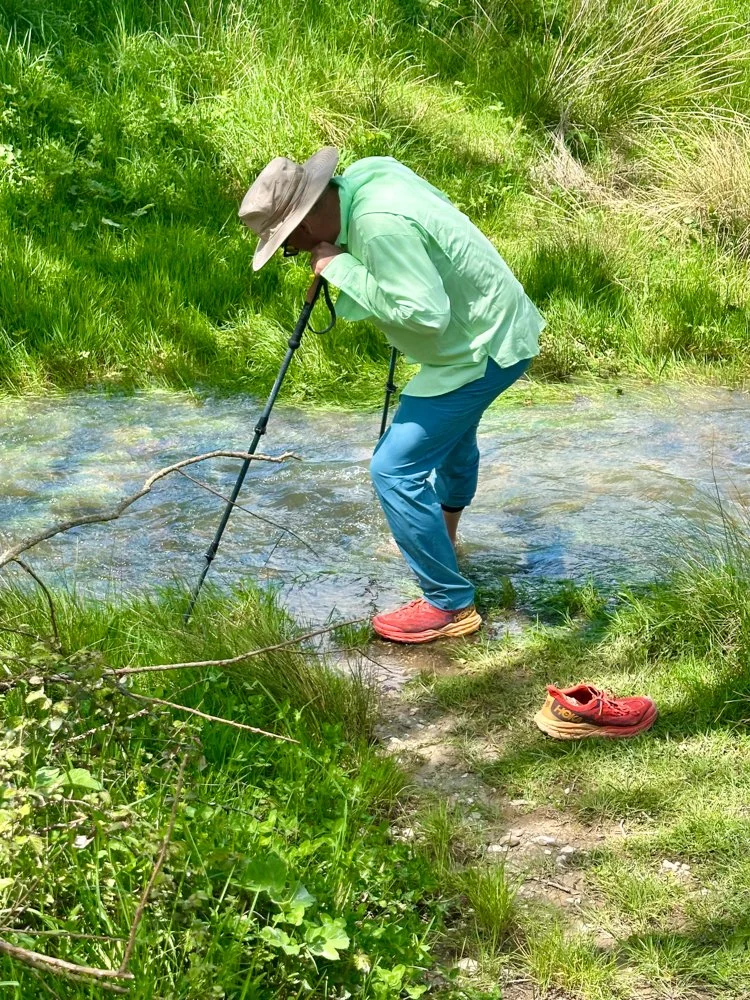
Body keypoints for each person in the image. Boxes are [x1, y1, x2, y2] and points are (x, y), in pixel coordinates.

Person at [239, 147, 544, 644]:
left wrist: (341, 267)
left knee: (394, 469)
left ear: (304, 222)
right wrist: (347, 259)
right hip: (494, 325)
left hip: (481, 350)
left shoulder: (378, 227)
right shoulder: (369, 175)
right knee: (453, 443)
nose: (292, 254)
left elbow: (425, 314)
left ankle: (449, 604)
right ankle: (445, 542)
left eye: (288, 245)